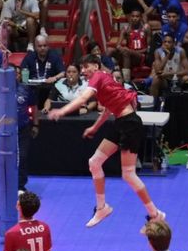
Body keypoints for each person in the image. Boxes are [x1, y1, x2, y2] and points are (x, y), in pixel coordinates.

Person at [48, 55, 165, 230]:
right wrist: (95, 127)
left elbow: (82, 100)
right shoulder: (106, 79)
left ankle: (155, 214)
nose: (84, 71)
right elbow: (109, 109)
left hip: (130, 124)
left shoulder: (98, 76)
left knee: (128, 174)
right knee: (94, 162)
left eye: (86, 67)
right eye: (82, 68)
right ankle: (102, 207)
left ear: (95, 66)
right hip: (120, 122)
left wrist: (61, 111)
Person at [110, 9, 150, 83]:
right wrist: (120, 48)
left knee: (126, 52)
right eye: (133, 16)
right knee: (110, 50)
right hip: (128, 54)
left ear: (141, 18)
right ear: (130, 17)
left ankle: (126, 82)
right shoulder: (126, 29)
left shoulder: (146, 28)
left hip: (140, 56)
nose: (135, 18)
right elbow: (117, 45)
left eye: (137, 16)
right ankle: (107, 74)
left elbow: (148, 48)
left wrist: (131, 51)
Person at [149, 34, 188, 99]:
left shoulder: (181, 51)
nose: (166, 44)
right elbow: (158, 71)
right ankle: (153, 103)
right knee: (156, 79)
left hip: (178, 78)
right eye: (165, 42)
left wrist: (170, 73)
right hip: (165, 80)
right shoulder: (158, 52)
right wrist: (167, 56)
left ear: (174, 43)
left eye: (169, 42)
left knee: (187, 78)